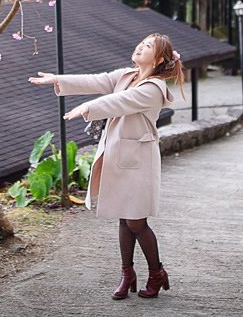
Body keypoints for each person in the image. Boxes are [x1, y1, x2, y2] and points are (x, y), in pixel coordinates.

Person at [28, 33, 185, 301]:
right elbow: (96, 80)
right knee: (124, 217)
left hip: (139, 161)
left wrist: (87, 107)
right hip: (117, 154)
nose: (140, 46)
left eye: (147, 46)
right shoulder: (127, 75)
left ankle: (156, 272)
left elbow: (119, 102)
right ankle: (127, 273)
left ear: (158, 59)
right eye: (141, 42)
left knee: (137, 220)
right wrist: (59, 80)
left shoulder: (153, 88)